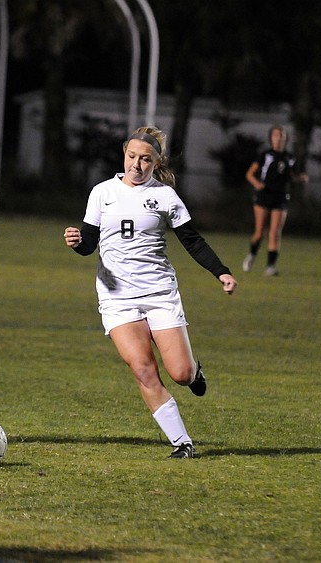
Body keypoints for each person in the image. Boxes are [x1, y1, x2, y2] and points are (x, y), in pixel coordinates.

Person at [64, 126, 237, 459]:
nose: (137, 165)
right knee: (143, 369)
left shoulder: (165, 197)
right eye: (132, 157)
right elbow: (88, 244)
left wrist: (222, 272)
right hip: (117, 298)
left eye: (145, 160)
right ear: (124, 155)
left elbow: (193, 241)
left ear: (157, 162)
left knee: (180, 373)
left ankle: (194, 372)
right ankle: (182, 442)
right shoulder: (102, 192)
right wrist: (77, 242)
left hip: (159, 293)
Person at [242, 125, 308, 276]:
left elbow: (290, 176)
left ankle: (270, 266)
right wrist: (257, 184)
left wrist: (300, 179)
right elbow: (250, 174)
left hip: (281, 196)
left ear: (286, 138)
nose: (279, 138)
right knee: (260, 232)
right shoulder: (265, 155)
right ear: (271, 138)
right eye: (276, 135)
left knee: (275, 232)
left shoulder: (289, 157)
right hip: (264, 195)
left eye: (282, 135)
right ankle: (252, 255)